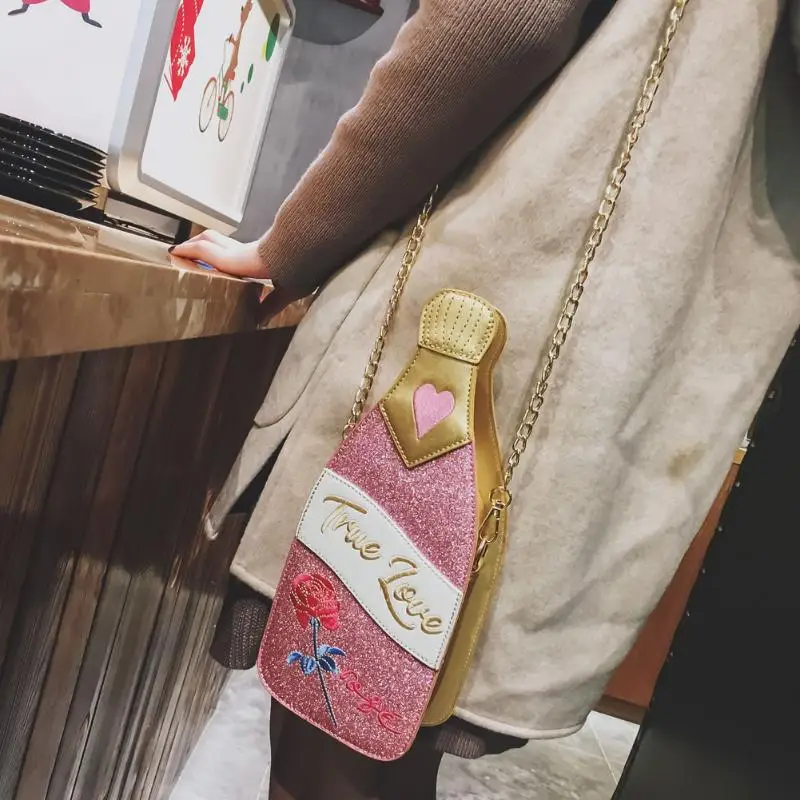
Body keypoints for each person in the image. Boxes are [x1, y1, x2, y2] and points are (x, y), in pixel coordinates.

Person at [172, 1, 800, 797]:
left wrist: (291, 242)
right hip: (617, 391)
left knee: (337, 734)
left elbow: (503, 20)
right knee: (380, 737)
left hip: (483, 316)